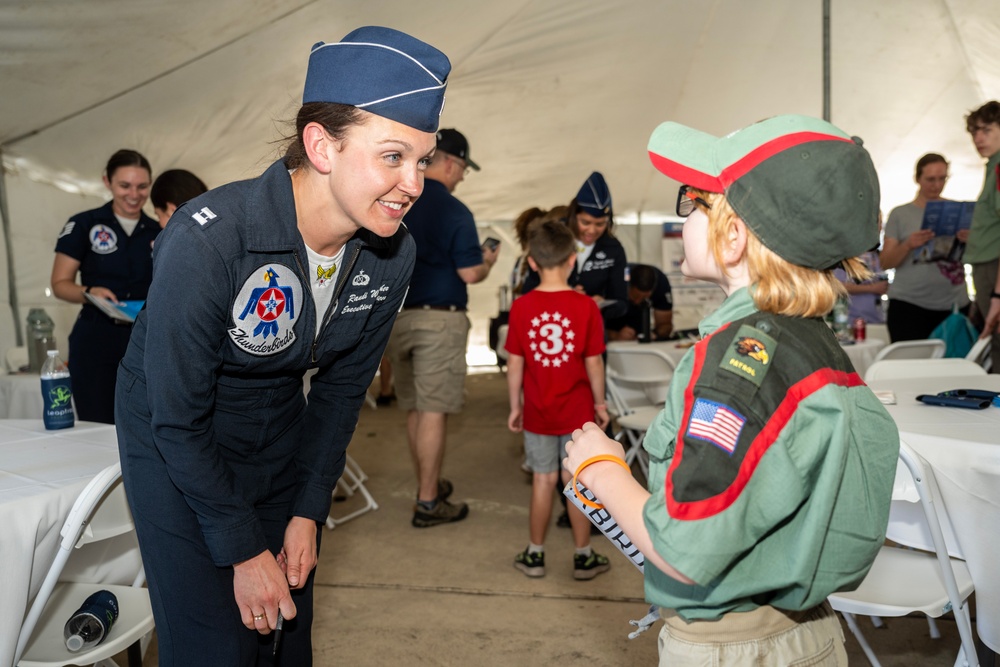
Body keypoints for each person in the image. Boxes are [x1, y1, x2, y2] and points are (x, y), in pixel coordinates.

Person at [114, 27, 449, 665]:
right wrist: (242, 548)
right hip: (176, 436)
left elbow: (342, 391)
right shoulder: (210, 238)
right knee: (217, 643)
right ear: (321, 146)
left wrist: (306, 509)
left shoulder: (391, 254)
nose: (414, 183)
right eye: (393, 157)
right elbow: (178, 417)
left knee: (287, 636)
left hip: (275, 424)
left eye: (423, 160)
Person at [563, 115, 899, 665]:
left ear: (735, 235)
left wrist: (600, 469)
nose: (686, 216)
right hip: (806, 635)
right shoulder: (813, 342)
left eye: (694, 202)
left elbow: (684, 551)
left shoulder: (739, 363)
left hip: (733, 646)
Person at [386, 127, 500, 528]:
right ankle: (429, 501)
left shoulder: (399, 201)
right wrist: (487, 261)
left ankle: (427, 483)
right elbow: (469, 273)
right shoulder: (455, 211)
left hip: (400, 318)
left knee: (416, 408)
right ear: (450, 162)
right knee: (434, 410)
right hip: (440, 320)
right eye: (464, 168)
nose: (463, 176)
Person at [504, 220, 612, 580]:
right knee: (577, 481)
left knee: (542, 480)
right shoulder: (586, 308)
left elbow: (515, 365)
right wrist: (600, 406)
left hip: (537, 411)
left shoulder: (521, 308)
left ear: (532, 262)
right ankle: (584, 556)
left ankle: (535, 554)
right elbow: (594, 363)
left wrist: (516, 406)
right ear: (572, 259)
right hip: (578, 413)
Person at [51, 149, 158, 424]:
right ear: (107, 182)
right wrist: (89, 293)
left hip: (146, 339)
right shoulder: (84, 224)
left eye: (142, 186)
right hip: (95, 337)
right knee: (96, 422)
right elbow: (60, 284)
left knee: (145, 423)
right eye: (124, 185)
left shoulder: (160, 229)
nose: (134, 194)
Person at [881, 153, 970, 341]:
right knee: (911, 366)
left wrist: (969, 241)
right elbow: (885, 262)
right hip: (910, 305)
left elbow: (977, 257)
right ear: (917, 178)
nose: (936, 185)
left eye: (942, 178)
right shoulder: (900, 214)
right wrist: (908, 245)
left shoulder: (958, 210)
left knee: (955, 367)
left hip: (954, 304)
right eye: (930, 179)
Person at [521, 173, 629, 321]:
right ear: (573, 216)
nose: (592, 231)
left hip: (590, 327)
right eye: (585, 222)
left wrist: (600, 305)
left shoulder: (612, 248)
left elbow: (621, 302)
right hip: (549, 324)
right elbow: (528, 291)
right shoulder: (553, 237)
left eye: (600, 224)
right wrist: (566, 296)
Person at [965, 102, 1000, 372]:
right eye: (974, 132)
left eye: (986, 130)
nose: (978, 138)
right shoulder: (992, 166)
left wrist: (998, 294)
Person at [605, 263, 673, 341]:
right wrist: (615, 336)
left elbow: (665, 325)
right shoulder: (612, 280)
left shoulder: (661, 284)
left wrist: (654, 334)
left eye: (644, 298)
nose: (637, 301)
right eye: (635, 296)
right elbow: (591, 327)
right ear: (628, 286)